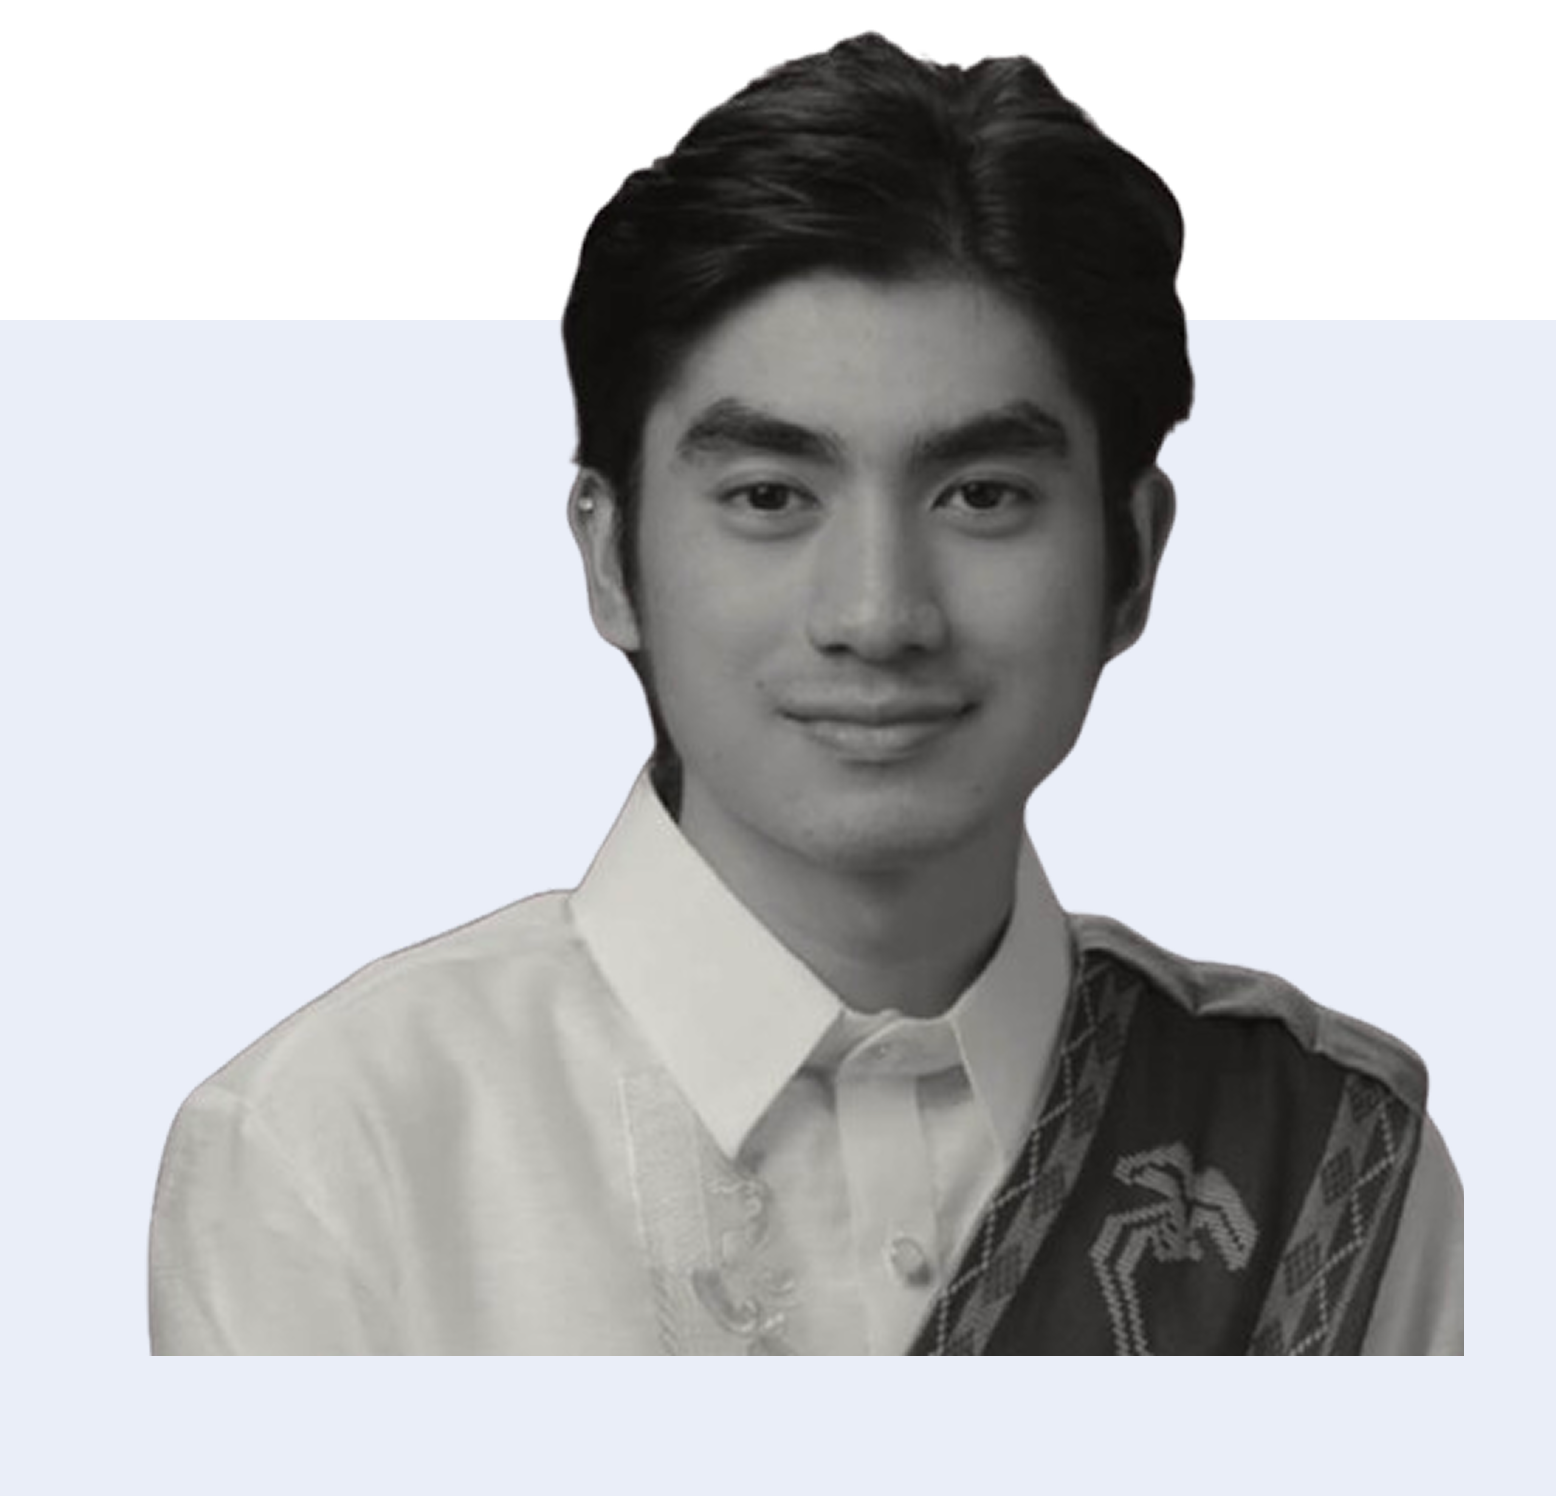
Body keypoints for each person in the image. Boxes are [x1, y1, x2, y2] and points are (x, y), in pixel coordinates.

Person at [148, 35, 1462, 1355]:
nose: (880, 615)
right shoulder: (337, 1152)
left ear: (1135, 557)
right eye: (770, 497)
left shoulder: (1325, 1157)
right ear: (610, 559)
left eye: (983, 496)